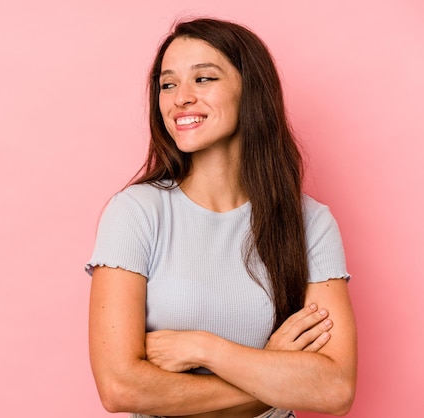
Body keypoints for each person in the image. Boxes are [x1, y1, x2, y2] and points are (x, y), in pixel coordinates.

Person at [85, 18, 357, 418]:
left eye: (204, 79)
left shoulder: (310, 222)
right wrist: (272, 370)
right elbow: (120, 387)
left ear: (252, 92)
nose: (180, 98)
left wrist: (205, 349)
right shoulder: (135, 212)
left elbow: (335, 389)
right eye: (168, 84)